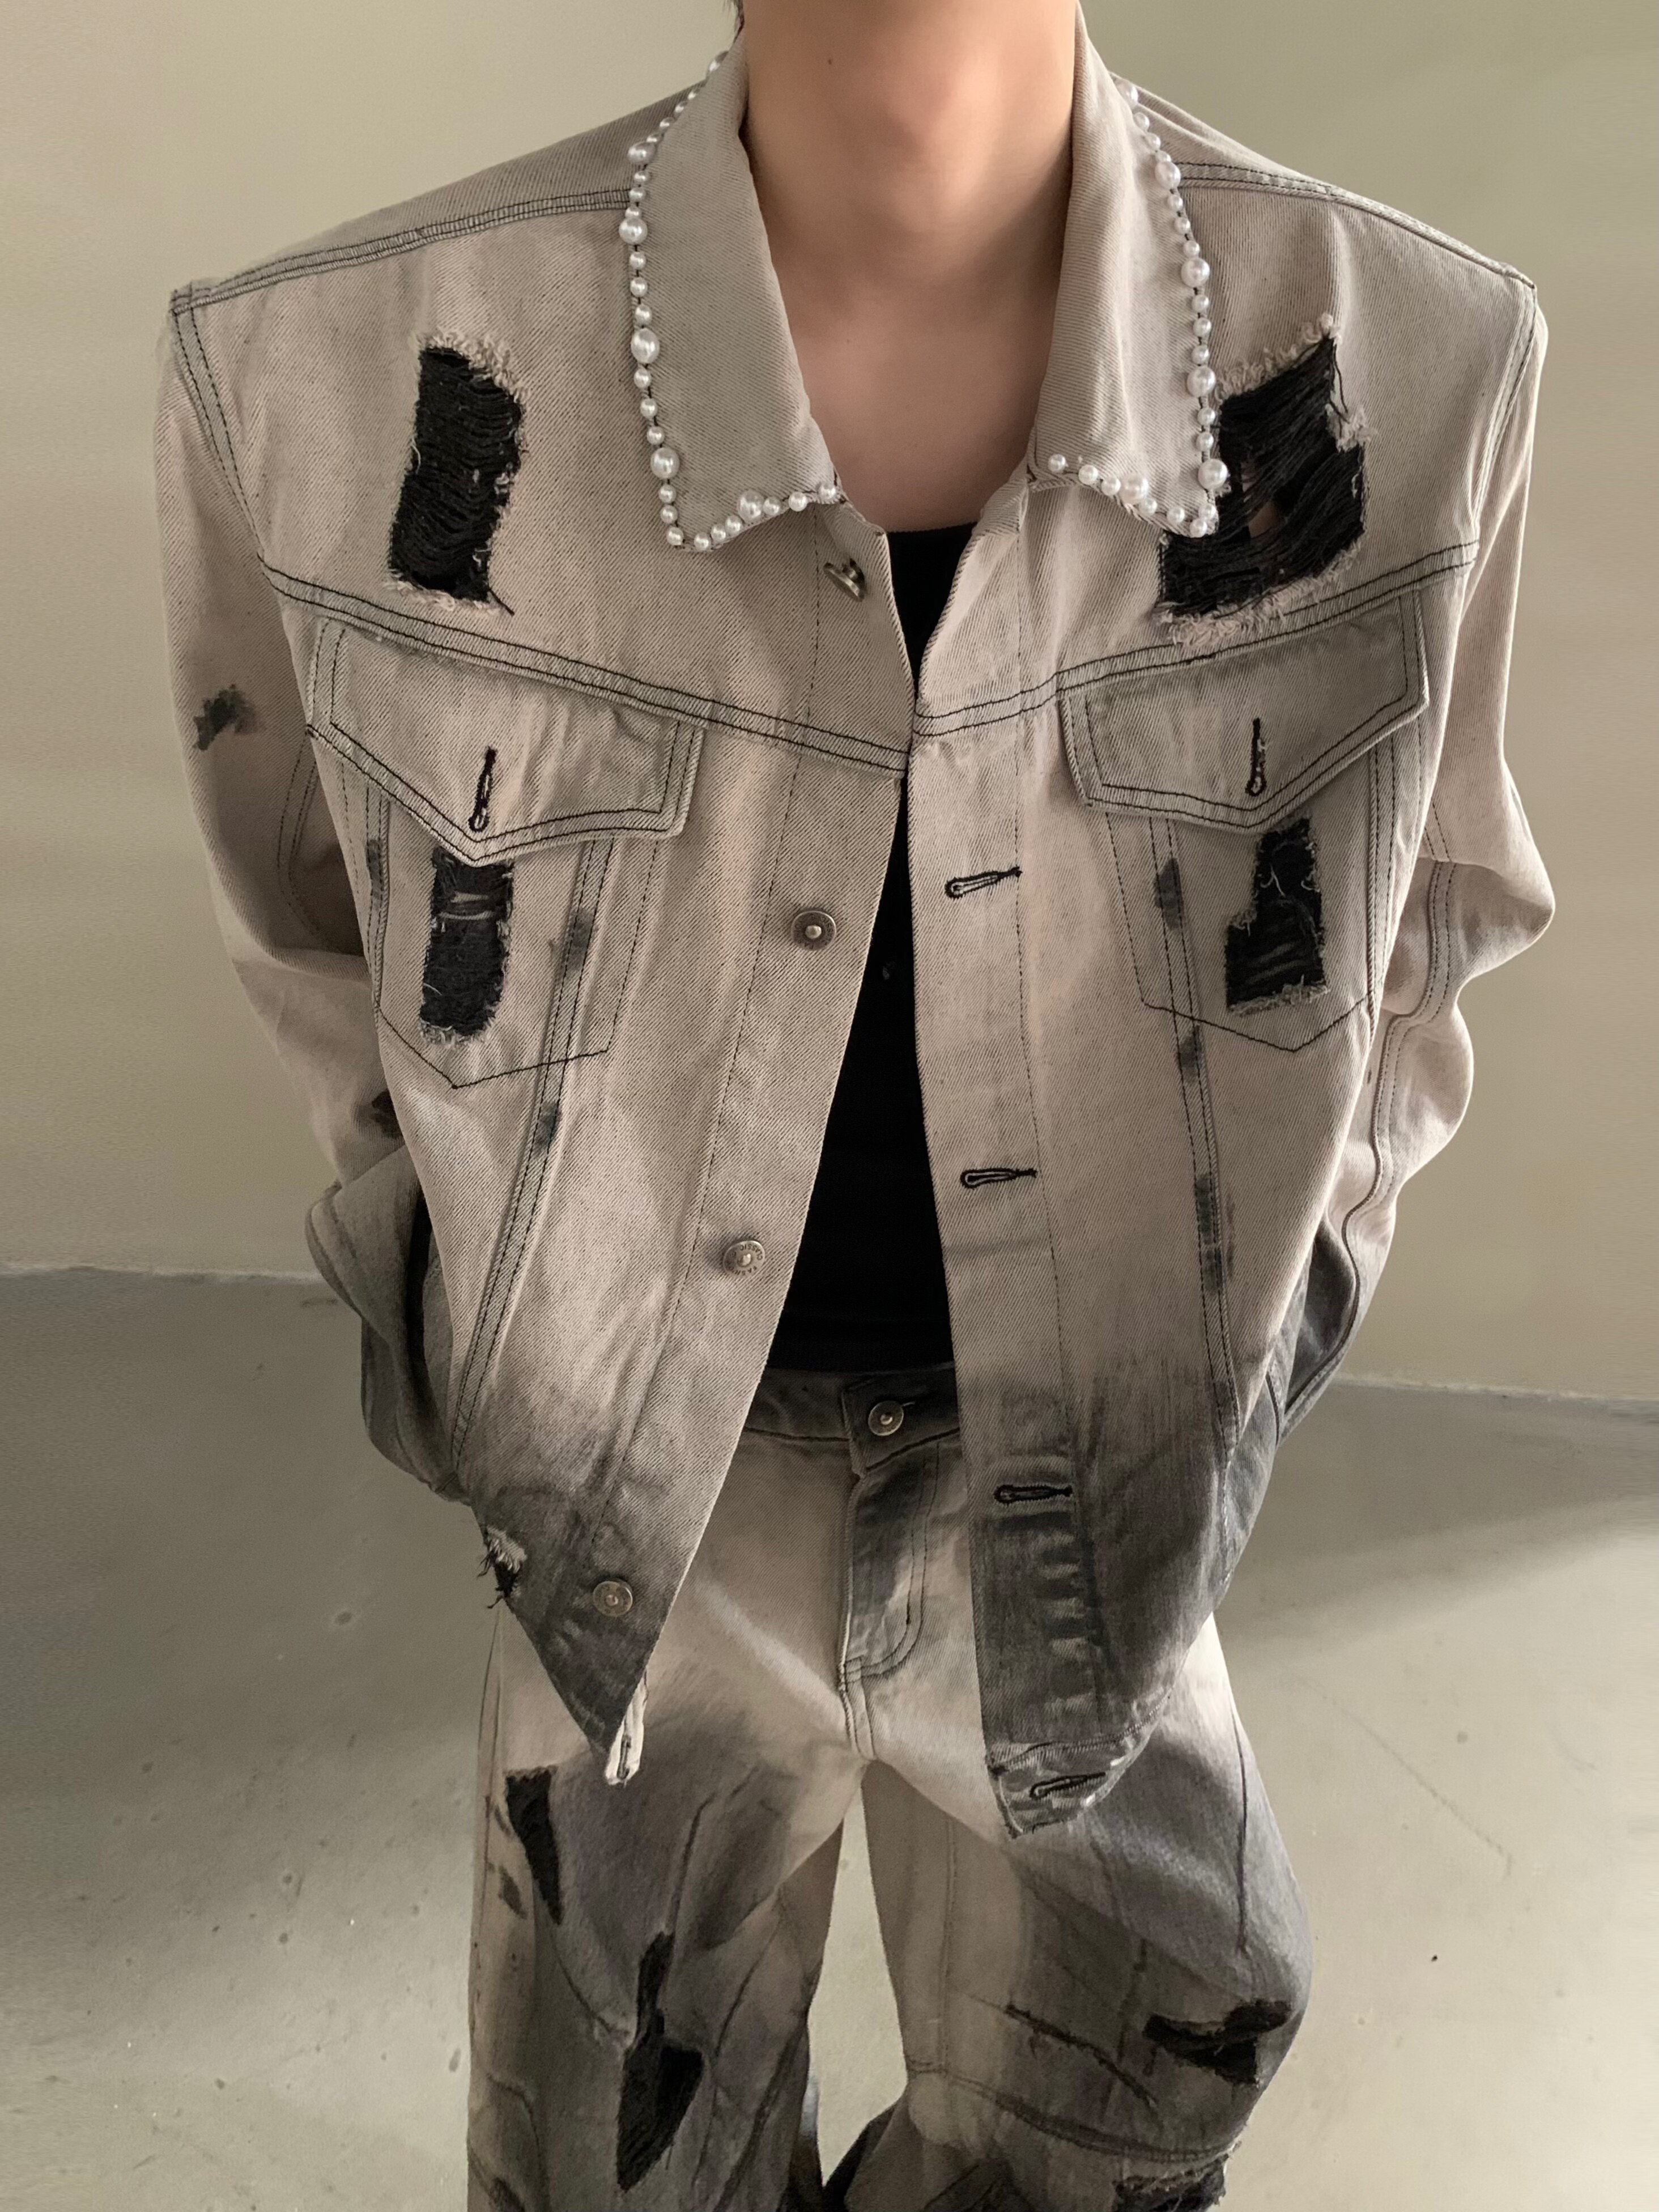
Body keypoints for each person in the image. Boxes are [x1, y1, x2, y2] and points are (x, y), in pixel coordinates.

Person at [151, 0, 1552, 2204]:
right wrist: (490, 1353)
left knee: (1155, 2055)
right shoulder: (341, 370)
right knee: (614, 2138)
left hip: (1086, 1465)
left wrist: (1262, 1336)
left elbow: (1420, 928)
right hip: (646, 1504)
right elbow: (315, 926)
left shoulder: (1407, 363)